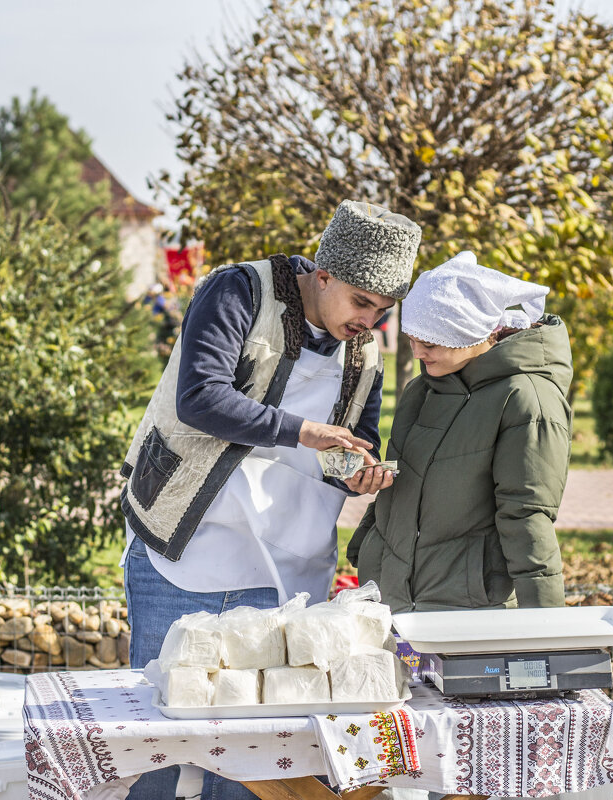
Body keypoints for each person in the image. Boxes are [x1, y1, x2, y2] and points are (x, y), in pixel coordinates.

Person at [120, 200, 419, 800]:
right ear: (324, 273)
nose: (369, 320)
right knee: (155, 729)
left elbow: (350, 442)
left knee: (259, 747)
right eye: (361, 302)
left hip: (284, 562)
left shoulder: (365, 351)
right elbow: (199, 396)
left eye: (383, 311)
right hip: (184, 538)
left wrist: (355, 473)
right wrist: (305, 432)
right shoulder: (238, 291)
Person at [346, 250, 572, 613]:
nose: (418, 352)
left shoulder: (526, 400)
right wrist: (366, 546)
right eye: (411, 339)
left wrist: (545, 629)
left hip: (467, 613)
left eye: (430, 343)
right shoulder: (422, 390)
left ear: (468, 332)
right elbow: (402, 484)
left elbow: (527, 516)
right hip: (394, 602)